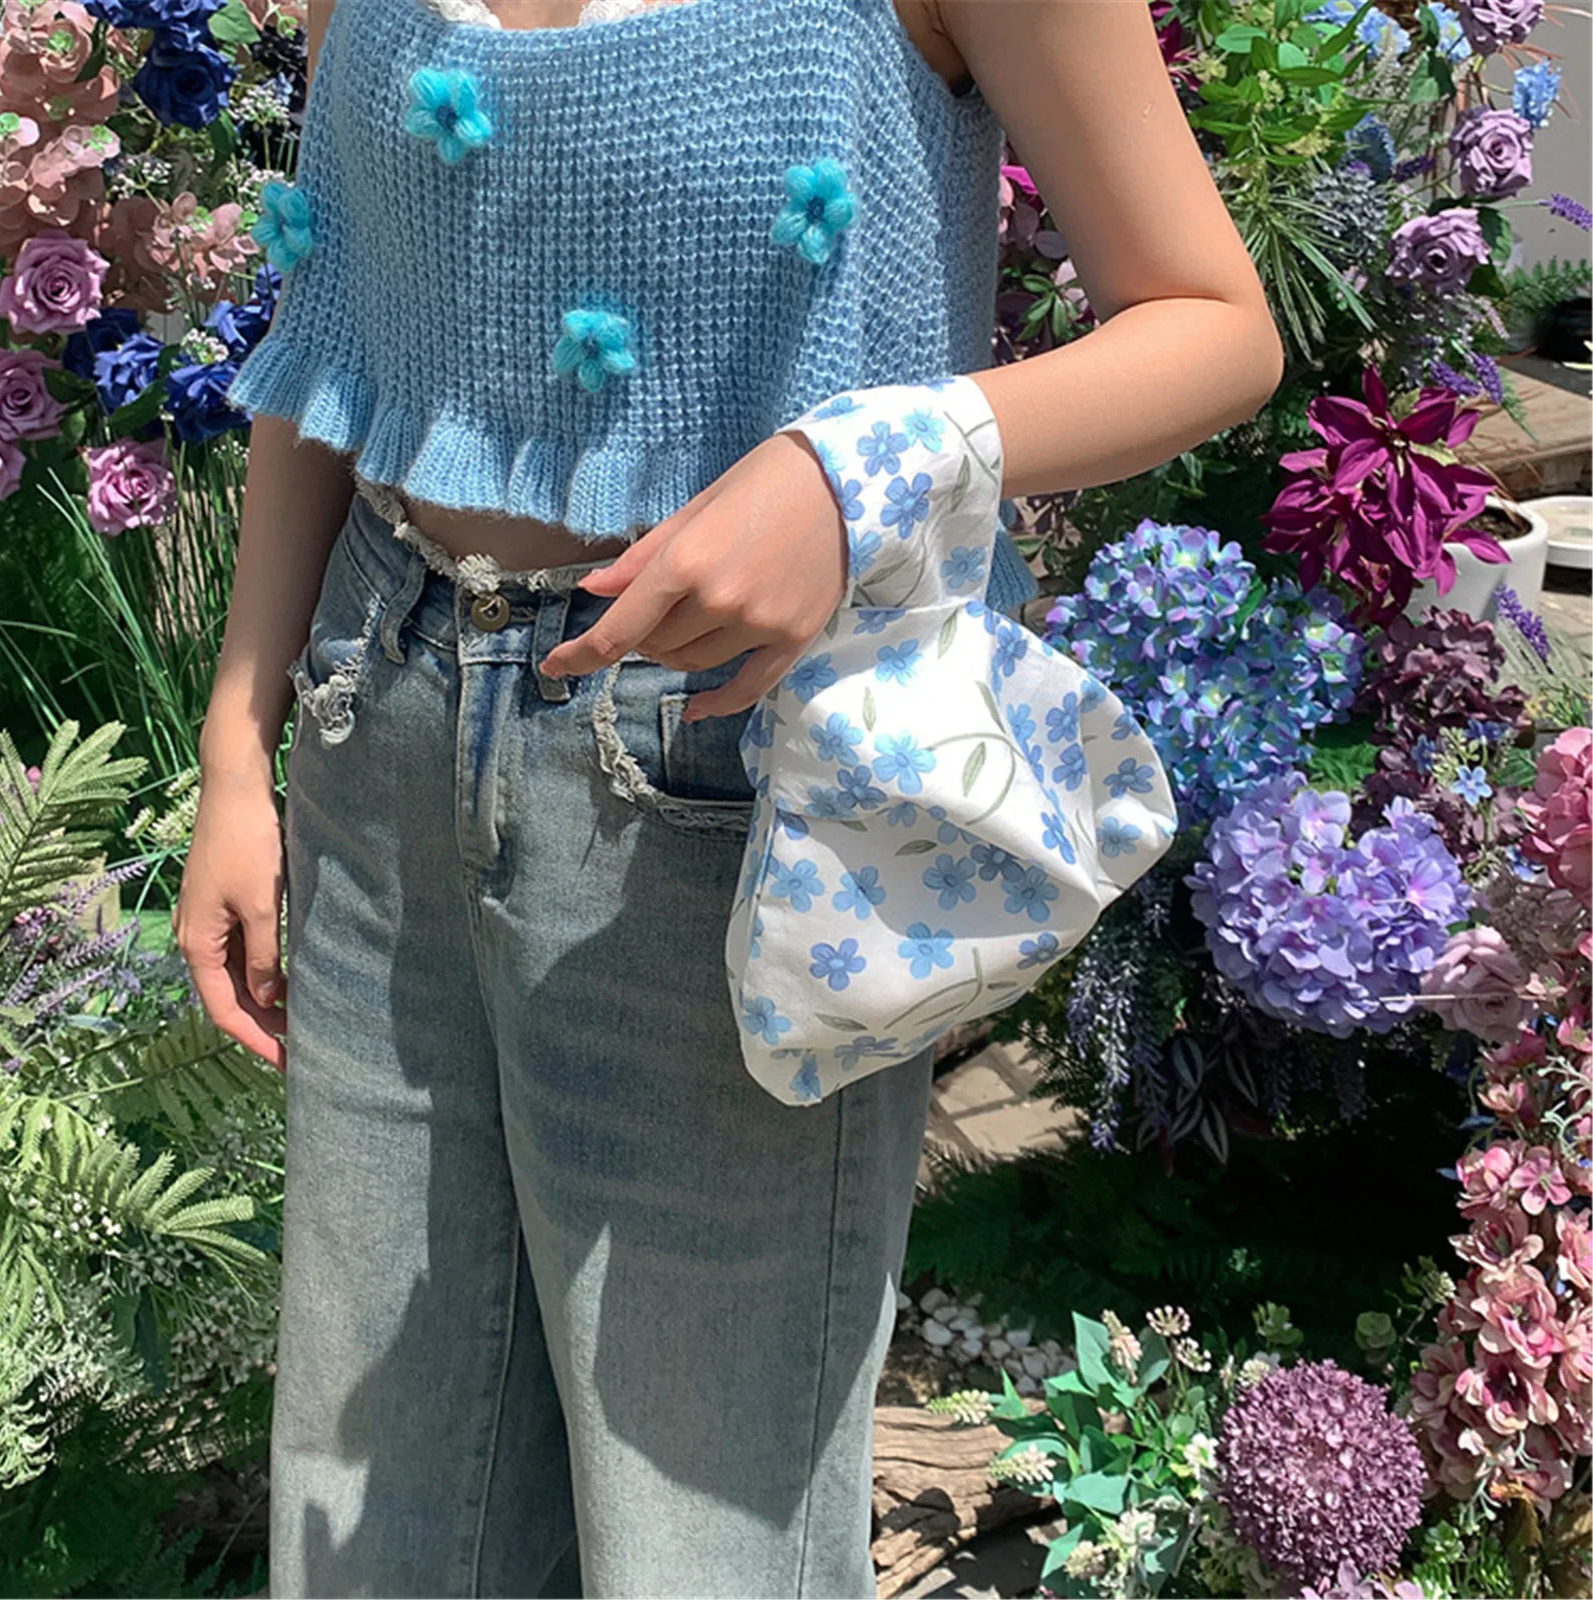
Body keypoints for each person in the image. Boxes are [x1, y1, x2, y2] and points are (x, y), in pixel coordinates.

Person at [173, 0, 1284, 1594]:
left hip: (725, 776)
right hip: (381, 706)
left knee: (698, 1536)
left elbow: (1213, 321)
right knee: (378, 1507)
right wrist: (239, 740)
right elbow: (343, 311)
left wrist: (868, 462)